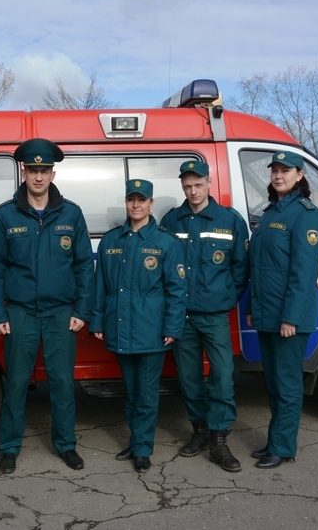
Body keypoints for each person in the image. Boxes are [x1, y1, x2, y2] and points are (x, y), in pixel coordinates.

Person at [0, 138, 94, 473]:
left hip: (61, 314)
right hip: (20, 314)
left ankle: (66, 445)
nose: (38, 176)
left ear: (52, 172)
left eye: (44, 170)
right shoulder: (6, 215)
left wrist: (82, 311)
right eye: (33, 169)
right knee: (16, 383)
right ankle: (9, 448)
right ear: (24, 170)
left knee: (62, 384)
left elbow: (83, 266)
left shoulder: (71, 214)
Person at [90, 179, 187, 472]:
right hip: (120, 327)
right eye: (132, 199)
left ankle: (143, 449)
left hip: (151, 330)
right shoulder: (110, 241)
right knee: (131, 393)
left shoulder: (165, 243)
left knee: (146, 394)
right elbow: (100, 287)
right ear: (126, 202)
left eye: (142, 200)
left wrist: (172, 327)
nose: (136, 205)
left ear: (151, 204)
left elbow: (177, 290)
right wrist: (97, 319)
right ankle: (135, 442)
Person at [160, 160, 250, 473]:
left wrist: (225, 299)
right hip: (182, 316)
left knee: (223, 376)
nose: (193, 191)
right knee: (188, 377)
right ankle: (199, 431)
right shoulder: (172, 220)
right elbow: (163, 267)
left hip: (214, 316)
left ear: (209, 183)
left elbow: (241, 267)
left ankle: (219, 439)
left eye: (198, 185)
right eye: (187, 186)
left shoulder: (229, 220)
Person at [245, 151, 318, 469]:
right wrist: (253, 306)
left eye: (285, 170)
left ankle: (283, 447)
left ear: (300, 175)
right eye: (275, 170)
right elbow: (259, 268)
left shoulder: (307, 214)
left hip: (289, 318)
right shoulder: (269, 213)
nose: (278, 176)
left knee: (288, 383)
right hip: (268, 314)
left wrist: (291, 317)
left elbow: (304, 273)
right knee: (274, 382)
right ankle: (274, 441)